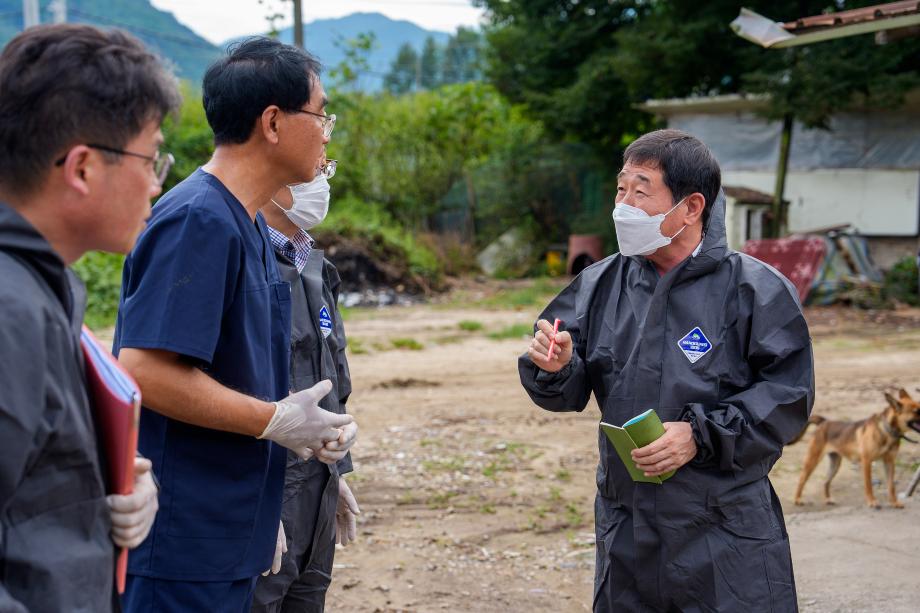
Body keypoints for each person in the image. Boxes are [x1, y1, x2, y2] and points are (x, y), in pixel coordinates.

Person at [519, 129, 814, 612]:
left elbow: (788, 397)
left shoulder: (755, 290)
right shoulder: (600, 284)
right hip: (629, 531)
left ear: (692, 207)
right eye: (620, 189)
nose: (623, 205)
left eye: (641, 190)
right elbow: (562, 391)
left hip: (723, 530)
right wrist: (557, 366)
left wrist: (700, 434)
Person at [113, 37, 357, 612]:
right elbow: (145, 370)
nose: (326, 132)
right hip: (185, 545)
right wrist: (274, 421)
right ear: (273, 122)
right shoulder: (198, 219)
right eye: (321, 114)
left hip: (232, 532)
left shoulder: (245, 223)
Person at [0, 24, 180, 611]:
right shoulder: (10, 313)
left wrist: (99, 493)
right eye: (152, 159)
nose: (157, 184)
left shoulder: (41, 286)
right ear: (82, 168)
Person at [252, 160, 360, 612]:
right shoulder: (246, 268)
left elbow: (332, 379)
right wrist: (250, 504)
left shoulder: (317, 270)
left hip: (315, 489)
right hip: (265, 491)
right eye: (312, 173)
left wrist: (337, 475)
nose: (322, 185)